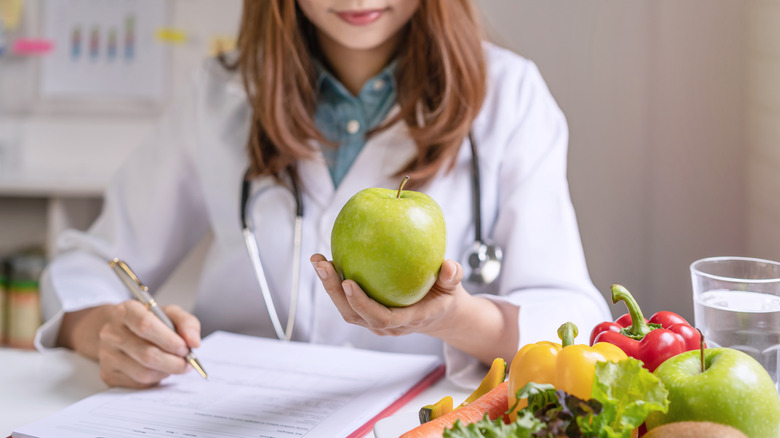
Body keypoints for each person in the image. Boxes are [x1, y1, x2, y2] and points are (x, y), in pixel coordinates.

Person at [35, 0, 611, 389]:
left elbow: (573, 318)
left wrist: (453, 317)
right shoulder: (221, 93)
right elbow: (89, 265)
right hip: (236, 411)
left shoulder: (510, 95)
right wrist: (105, 328)